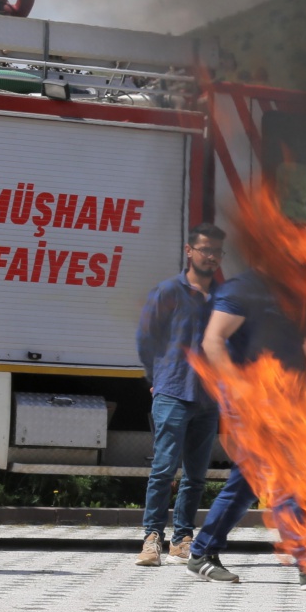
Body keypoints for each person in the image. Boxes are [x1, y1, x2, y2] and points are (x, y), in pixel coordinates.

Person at [186, 266, 306, 583]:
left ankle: (202, 551)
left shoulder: (293, 290)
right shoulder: (245, 288)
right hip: (252, 399)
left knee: (248, 479)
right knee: (282, 475)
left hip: (283, 399)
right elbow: (213, 341)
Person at [134, 225, 226, 567]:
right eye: (205, 249)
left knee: (196, 475)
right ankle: (151, 538)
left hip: (207, 399)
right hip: (172, 391)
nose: (212, 256)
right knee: (163, 470)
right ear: (189, 251)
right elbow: (146, 338)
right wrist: (155, 378)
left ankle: (182, 538)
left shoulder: (224, 297)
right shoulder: (168, 291)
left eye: (217, 251)